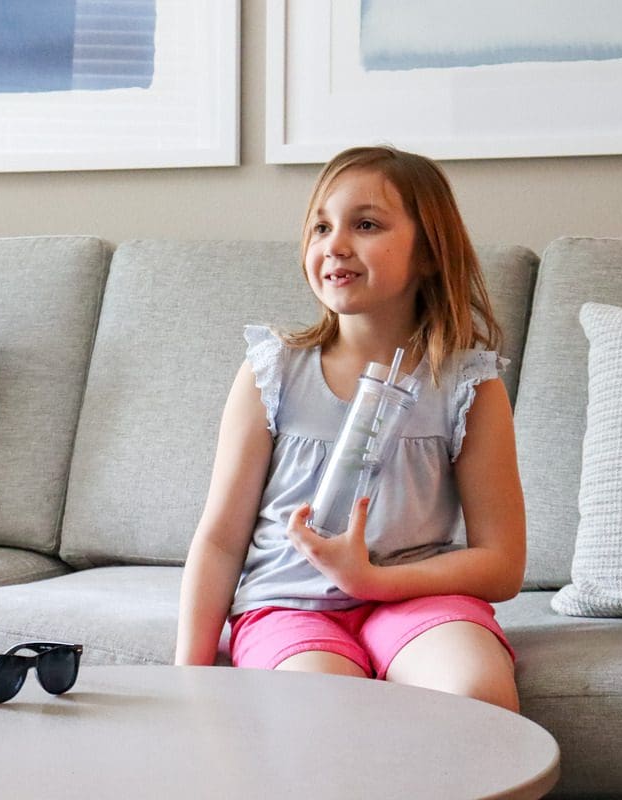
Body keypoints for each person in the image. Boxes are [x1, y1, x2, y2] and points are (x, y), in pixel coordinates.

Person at [174, 146, 525, 712]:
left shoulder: (470, 387)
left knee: (475, 695)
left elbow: (502, 565)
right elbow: (219, 539)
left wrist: (373, 583)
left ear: (431, 252)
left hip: (417, 598)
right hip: (289, 607)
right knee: (324, 713)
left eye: (365, 225)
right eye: (320, 226)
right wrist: (186, 679)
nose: (334, 244)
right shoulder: (273, 372)